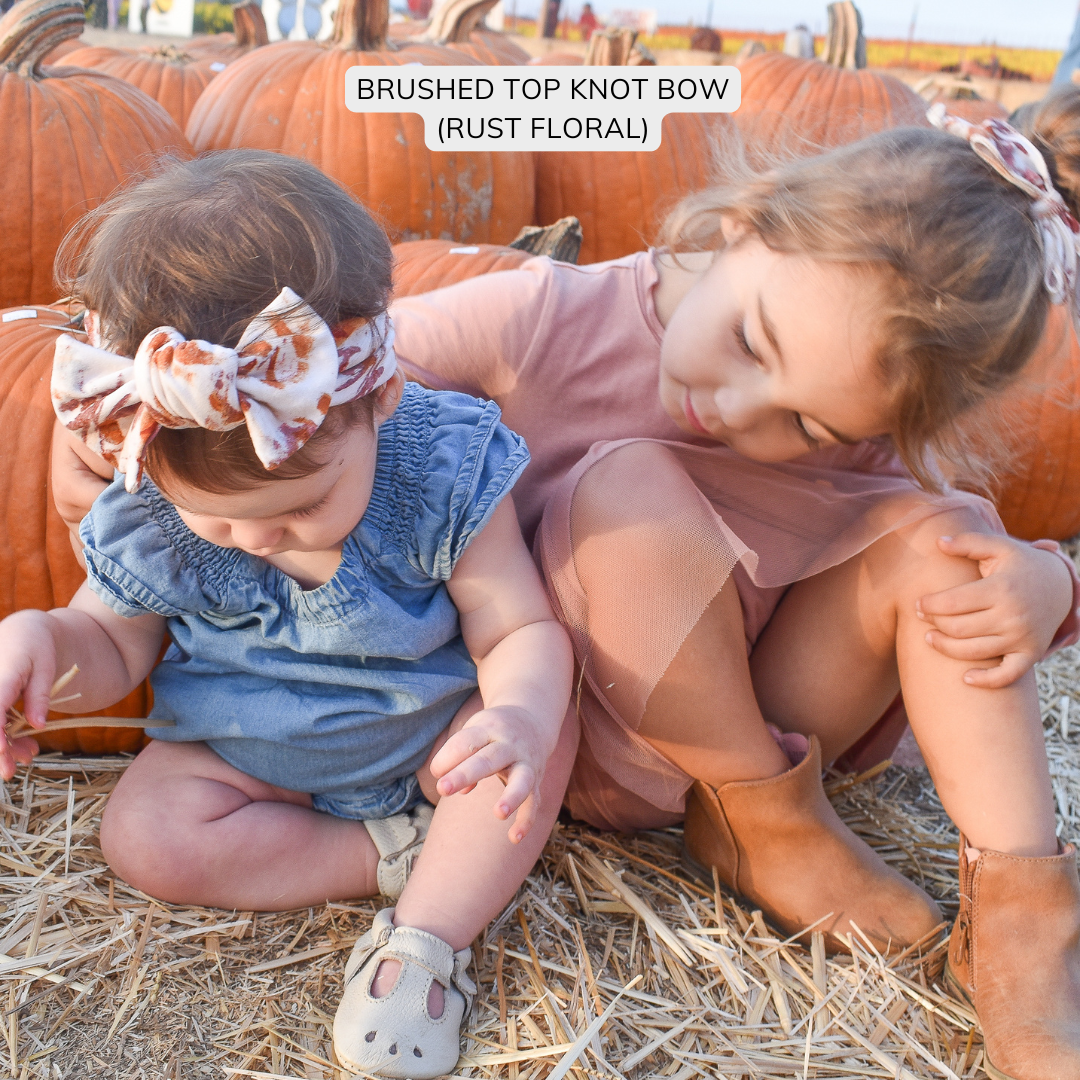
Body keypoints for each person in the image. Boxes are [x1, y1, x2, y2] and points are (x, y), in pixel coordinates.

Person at [380, 99, 1080, 1078]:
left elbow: (948, 537)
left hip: (785, 718)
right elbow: (350, 375)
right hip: (590, 728)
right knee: (627, 482)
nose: (739, 412)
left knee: (953, 542)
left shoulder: (867, 410)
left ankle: (1025, 939)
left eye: (811, 428)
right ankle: (767, 824)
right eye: (754, 343)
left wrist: (1053, 580)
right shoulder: (550, 314)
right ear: (744, 222)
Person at [8, 150, 576, 1080]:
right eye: (220, 517)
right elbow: (112, 641)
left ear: (379, 401)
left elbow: (516, 629)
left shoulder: (437, 469)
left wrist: (519, 714)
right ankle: (380, 857)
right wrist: (41, 645)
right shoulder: (150, 503)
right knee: (144, 834)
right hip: (246, 765)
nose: (258, 538)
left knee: (531, 757)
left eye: (301, 506)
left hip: (434, 746)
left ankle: (424, 943)